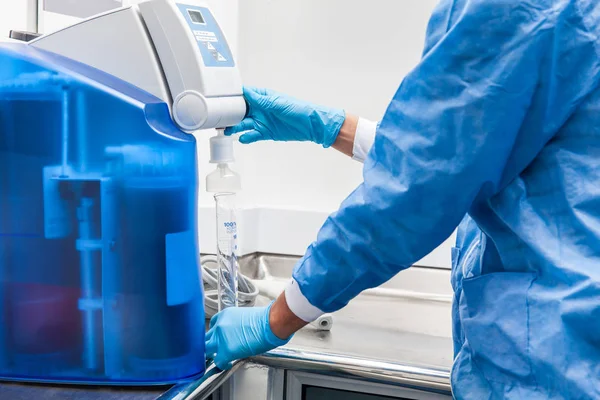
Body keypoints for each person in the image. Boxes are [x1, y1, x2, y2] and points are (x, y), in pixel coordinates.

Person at [205, 0, 600, 398]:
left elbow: (423, 183)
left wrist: (277, 318)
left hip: (559, 358)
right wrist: (329, 127)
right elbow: (460, 151)